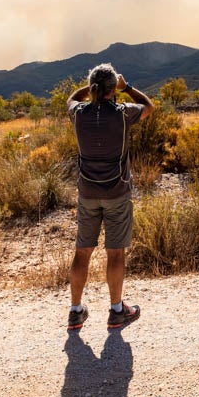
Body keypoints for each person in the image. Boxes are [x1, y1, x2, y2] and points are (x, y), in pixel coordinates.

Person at [66, 63, 154, 331]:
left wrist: (91, 86)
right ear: (112, 89)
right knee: (115, 253)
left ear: (92, 88)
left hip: (88, 193)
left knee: (83, 252)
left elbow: (70, 99)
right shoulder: (123, 114)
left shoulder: (79, 114)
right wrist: (125, 87)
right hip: (116, 192)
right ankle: (117, 311)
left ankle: (75, 311)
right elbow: (148, 106)